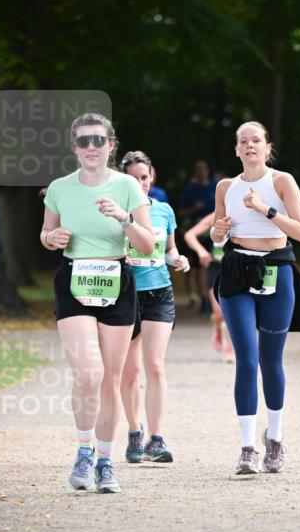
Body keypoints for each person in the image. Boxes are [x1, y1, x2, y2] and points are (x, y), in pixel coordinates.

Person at [40, 113, 154, 493]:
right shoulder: (59, 188)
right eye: (84, 141)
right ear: (75, 147)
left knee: (111, 378)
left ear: (111, 145)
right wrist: (51, 238)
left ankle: (106, 461)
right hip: (73, 280)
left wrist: (124, 218)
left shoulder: (127, 187)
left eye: (98, 140)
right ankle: (84, 451)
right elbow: (46, 233)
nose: (91, 147)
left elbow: (147, 244)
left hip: (116, 281)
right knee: (88, 373)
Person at [211, 121, 300, 475]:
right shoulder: (226, 186)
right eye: (243, 141)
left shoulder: (281, 182)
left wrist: (266, 210)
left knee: (271, 361)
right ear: (236, 149)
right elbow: (218, 235)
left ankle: (277, 439)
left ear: (268, 148)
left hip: (276, 271)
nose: (250, 146)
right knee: (246, 360)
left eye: (256, 141)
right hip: (237, 272)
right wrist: (217, 232)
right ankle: (248, 447)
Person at [118, 150, 190, 463]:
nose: (141, 183)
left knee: (155, 365)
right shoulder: (115, 212)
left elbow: (169, 252)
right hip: (126, 294)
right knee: (130, 371)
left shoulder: (164, 211)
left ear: (152, 177)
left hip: (159, 292)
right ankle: (135, 430)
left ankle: (156, 439)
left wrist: (179, 260)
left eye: (144, 178)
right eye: (134, 178)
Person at [184, 212, 234, 362]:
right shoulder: (217, 215)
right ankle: (218, 327)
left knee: (233, 312)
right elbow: (189, 235)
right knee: (219, 312)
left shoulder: (248, 212)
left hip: (238, 267)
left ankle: (230, 349)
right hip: (216, 267)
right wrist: (201, 252)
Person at [178, 160, 216, 311]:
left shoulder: (215, 187)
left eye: (203, 169)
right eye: (198, 170)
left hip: (213, 233)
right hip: (195, 231)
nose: (201, 172)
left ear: (207, 171)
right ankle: (198, 297)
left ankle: (208, 299)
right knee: (194, 268)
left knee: (206, 267)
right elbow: (181, 212)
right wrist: (194, 208)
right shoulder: (190, 189)